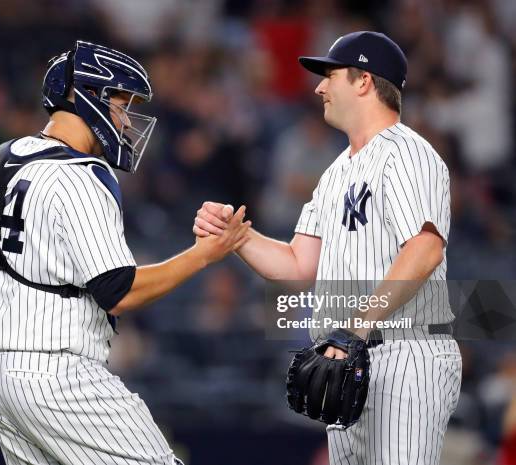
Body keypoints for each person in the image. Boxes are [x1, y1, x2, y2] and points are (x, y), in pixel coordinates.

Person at [0, 40, 250, 465]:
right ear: (87, 97)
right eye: (121, 104)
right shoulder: (83, 177)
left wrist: (6, 272)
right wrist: (204, 254)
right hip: (57, 375)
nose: (126, 119)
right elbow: (120, 292)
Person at [193, 31, 461, 465]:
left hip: (405, 354)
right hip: (348, 357)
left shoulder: (409, 153)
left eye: (329, 75)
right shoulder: (336, 172)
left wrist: (354, 328)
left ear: (363, 81)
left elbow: (425, 248)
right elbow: (299, 266)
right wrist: (239, 237)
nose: (319, 87)